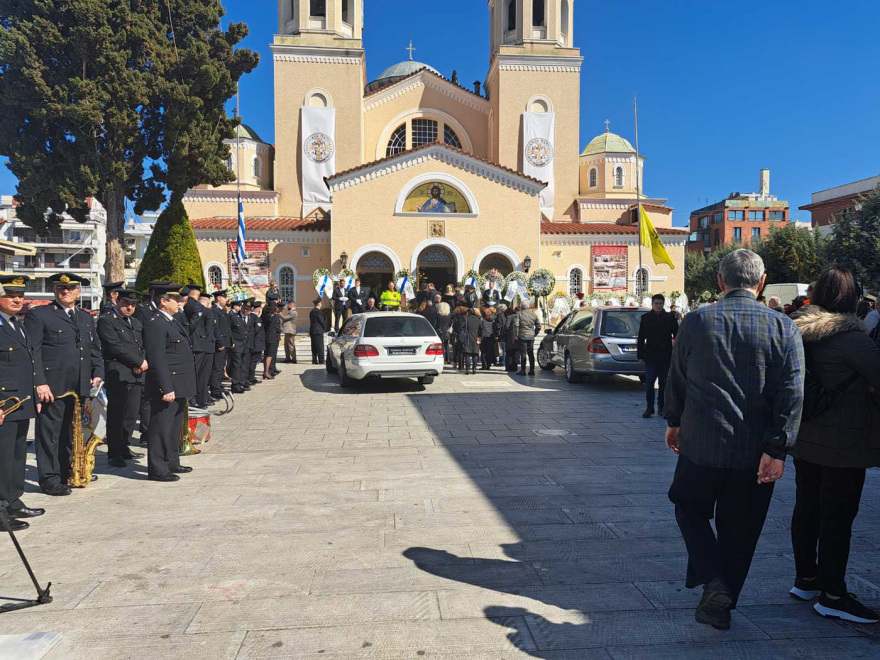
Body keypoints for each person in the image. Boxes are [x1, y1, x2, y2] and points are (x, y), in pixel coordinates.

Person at [664, 249, 805, 631]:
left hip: (700, 445)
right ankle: (721, 602)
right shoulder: (784, 327)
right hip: (754, 452)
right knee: (741, 530)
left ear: (720, 282)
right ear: (760, 284)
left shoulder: (696, 321)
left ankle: (714, 582)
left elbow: (677, 376)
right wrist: (778, 449)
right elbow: (792, 394)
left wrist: (673, 421)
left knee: (688, 506)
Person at [788, 266, 880, 623]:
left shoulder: (797, 332)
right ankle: (833, 593)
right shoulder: (854, 341)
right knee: (838, 517)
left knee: (807, 507)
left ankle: (806, 578)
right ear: (852, 298)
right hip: (845, 443)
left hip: (806, 435)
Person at [26, 272, 104, 496]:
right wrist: (39, 382)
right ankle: (49, 478)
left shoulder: (85, 317)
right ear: (54, 291)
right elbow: (34, 352)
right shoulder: (40, 316)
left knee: (71, 433)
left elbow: (93, 349)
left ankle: (66, 471)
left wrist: (97, 372)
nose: (66, 291)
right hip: (53, 386)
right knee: (49, 434)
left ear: (78, 291)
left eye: (70, 288)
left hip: (79, 386)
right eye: (61, 288)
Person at [0, 275, 44, 530]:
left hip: (21, 401)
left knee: (17, 456)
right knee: (2, 458)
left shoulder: (17, 324)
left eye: (20, 295)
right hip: (4, 403)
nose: (17, 300)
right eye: (10, 295)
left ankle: (13, 500)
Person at [142, 284, 195, 482]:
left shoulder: (171, 321)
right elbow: (157, 359)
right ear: (163, 301)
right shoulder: (156, 323)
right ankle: (157, 467)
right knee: (160, 427)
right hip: (168, 384)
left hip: (180, 383)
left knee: (174, 426)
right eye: (175, 300)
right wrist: (166, 387)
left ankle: (172, 460)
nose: (180, 303)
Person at [97, 288, 147, 468]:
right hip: (118, 372)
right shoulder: (107, 321)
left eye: (133, 305)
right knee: (117, 414)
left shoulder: (135, 322)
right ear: (117, 301)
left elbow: (141, 345)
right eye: (126, 304)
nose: (129, 308)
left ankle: (125, 447)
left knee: (131, 414)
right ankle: (114, 452)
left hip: (136, 373)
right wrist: (137, 361)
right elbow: (114, 346)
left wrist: (141, 362)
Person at [637, 294, 679, 418]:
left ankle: (662, 407)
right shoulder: (646, 318)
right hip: (650, 355)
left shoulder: (670, 317)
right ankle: (649, 407)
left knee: (664, 383)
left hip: (665, 355)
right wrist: (640, 355)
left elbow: (677, 335)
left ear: (663, 304)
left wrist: (677, 353)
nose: (658, 306)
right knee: (649, 383)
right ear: (652, 304)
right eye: (656, 303)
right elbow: (641, 338)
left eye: (660, 303)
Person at [188, 290, 215, 409]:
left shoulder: (198, 309)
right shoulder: (202, 310)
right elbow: (209, 330)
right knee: (200, 374)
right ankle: (198, 398)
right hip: (201, 344)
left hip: (202, 344)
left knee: (202, 374)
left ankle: (202, 397)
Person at [210, 290, 231, 399]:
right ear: (218, 298)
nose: (226, 299)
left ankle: (219, 385)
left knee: (221, 365)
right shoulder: (214, 311)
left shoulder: (221, 310)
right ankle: (215, 389)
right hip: (220, 343)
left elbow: (226, 328)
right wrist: (220, 342)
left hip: (225, 342)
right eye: (224, 297)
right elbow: (216, 328)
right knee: (217, 367)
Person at [513, 300, 541, 376]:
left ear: (521, 306)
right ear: (528, 306)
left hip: (522, 336)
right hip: (531, 336)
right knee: (531, 353)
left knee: (523, 353)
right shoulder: (533, 314)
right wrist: (535, 333)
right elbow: (539, 326)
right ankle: (532, 370)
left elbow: (516, 325)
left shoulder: (519, 313)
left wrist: (516, 334)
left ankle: (523, 370)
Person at [227, 299, 248, 393]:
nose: (241, 308)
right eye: (239, 306)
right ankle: (235, 384)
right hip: (235, 343)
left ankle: (240, 382)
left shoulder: (236, 315)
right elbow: (229, 330)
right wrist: (231, 341)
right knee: (236, 364)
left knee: (240, 364)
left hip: (241, 343)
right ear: (235, 306)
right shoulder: (230, 315)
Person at [263, 301, 282, 379]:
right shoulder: (274, 316)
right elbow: (275, 328)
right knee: (270, 355)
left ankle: (266, 371)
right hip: (272, 337)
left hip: (266, 337)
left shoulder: (265, 315)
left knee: (266, 354)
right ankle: (266, 372)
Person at [461, 307, 481, 375]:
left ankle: (467, 369)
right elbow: (481, 329)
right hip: (476, 337)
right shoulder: (478, 320)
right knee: (475, 354)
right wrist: (480, 337)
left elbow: (462, 327)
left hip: (468, 337)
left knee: (467, 353)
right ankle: (474, 368)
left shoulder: (466, 319)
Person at [309, 298, 327, 364]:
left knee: (313, 346)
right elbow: (321, 320)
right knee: (320, 346)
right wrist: (325, 328)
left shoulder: (312, 311)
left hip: (312, 330)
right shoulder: (318, 311)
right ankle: (321, 360)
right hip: (318, 330)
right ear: (319, 304)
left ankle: (314, 360)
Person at [452, 306, 468, 370]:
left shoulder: (455, 317)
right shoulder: (466, 317)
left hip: (457, 334)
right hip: (464, 334)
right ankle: (463, 365)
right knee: (463, 350)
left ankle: (459, 365)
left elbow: (454, 326)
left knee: (458, 350)